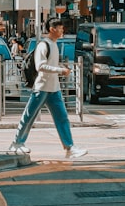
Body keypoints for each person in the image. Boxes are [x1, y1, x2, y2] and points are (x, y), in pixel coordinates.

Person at [8, 18, 87, 159]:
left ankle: (70, 147)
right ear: (52, 29)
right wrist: (60, 70)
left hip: (53, 89)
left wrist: (60, 69)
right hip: (42, 87)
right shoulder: (44, 45)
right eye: (60, 28)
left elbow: (49, 65)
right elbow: (40, 66)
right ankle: (16, 143)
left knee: (62, 118)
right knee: (29, 116)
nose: (63, 31)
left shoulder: (54, 45)